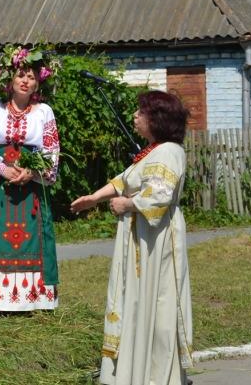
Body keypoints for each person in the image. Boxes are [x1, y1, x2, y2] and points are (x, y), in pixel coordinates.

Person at [71, 91, 193, 385]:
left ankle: (155, 375)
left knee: (156, 301)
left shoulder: (168, 151)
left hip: (156, 238)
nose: (135, 117)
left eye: (141, 112)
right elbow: (124, 180)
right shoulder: (153, 150)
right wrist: (95, 198)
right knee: (135, 300)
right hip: (140, 236)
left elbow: (158, 195)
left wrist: (128, 204)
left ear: (158, 119)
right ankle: (132, 370)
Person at [0, 45, 61, 312]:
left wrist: (32, 172)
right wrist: (2, 168)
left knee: (33, 234)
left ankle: (34, 298)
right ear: (9, 79)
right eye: (21, 75)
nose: (25, 81)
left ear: (37, 83)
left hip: (31, 187)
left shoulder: (44, 112)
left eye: (31, 77)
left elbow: (51, 150)